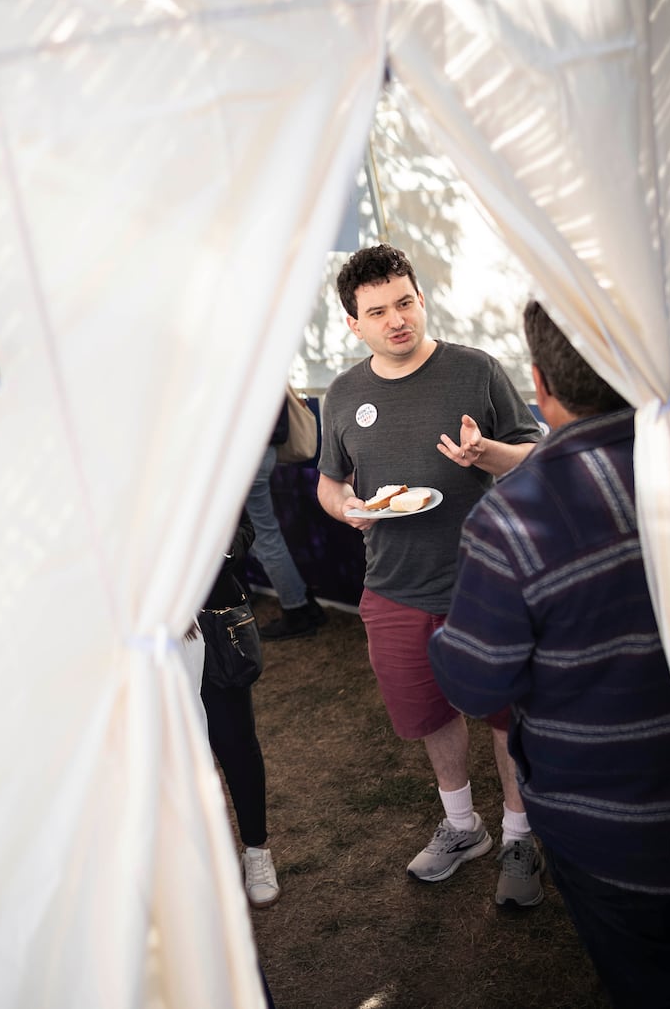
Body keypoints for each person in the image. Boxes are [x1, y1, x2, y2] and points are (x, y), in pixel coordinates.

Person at [428, 301, 670, 1006]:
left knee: (648, 981)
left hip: (612, 823)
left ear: (539, 384)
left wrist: (444, 637)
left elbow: (478, 683)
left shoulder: (514, 518)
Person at [315, 243, 544, 905]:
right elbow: (330, 485)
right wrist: (349, 510)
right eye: (378, 311)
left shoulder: (476, 371)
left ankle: (519, 834)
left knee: (505, 714)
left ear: (422, 300)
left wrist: (487, 452)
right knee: (428, 713)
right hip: (392, 587)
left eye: (406, 302)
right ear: (353, 324)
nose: (397, 320)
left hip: (487, 583)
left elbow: (532, 458)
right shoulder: (343, 395)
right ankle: (462, 825)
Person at [197, 508, 281, 908]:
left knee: (235, 743)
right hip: (145, 639)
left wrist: (215, 553)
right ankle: (200, 863)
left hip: (212, 626)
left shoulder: (202, 455)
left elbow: (243, 527)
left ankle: (256, 851)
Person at [247, 403, 327, 640]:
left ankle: (297, 611)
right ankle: (304, 605)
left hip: (246, 454)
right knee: (265, 535)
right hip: (261, 450)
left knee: (263, 538)